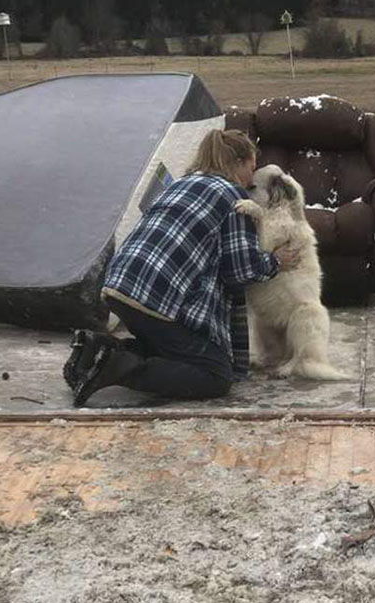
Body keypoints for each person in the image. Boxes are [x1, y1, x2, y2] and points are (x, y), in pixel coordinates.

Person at [63, 129, 297, 407]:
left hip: (121, 284)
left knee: (173, 349)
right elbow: (239, 271)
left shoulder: (181, 183)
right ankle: (113, 366)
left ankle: (93, 352)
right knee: (215, 374)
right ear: (238, 163)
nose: (251, 178)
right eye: (251, 168)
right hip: (155, 297)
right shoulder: (233, 198)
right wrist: (275, 261)